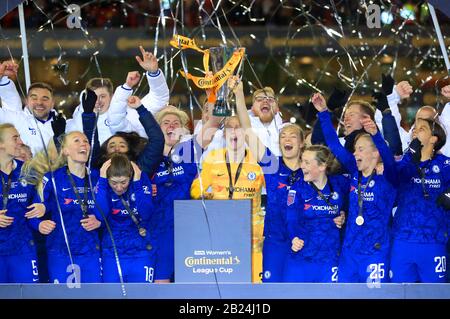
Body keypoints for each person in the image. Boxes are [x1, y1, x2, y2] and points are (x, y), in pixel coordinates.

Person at [312, 92, 396, 283]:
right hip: (350, 251)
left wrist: (376, 135)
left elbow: (389, 158)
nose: (355, 153)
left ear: (375, 153)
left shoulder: (389, 176)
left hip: (375, 251)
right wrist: (324, 113)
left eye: (360, 149)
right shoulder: (354, 171)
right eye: (355, 149)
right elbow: (334, 144)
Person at [231, 76, 303, 282]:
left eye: (292, 136)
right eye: (283, 137)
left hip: (303, 239)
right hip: (275, 239)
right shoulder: (272, 165)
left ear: (301, 143)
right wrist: (238, 94)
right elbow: (247, 131)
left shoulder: (310, 171)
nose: (286, 139)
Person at [190, 115, 265, 283]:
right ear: (223, 135)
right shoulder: (212, 157)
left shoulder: (258, 160)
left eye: (238, 126)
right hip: (221, 231)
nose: (233, 131)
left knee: (254, 286)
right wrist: (201, 194)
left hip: (252, 235)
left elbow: (274, 192)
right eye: (229, 127)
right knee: (225, 281)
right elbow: (197, 187)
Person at [23, 131, 103, 283]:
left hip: (91, 252)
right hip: (60, 253)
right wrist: (40, 224)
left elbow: (112, 210)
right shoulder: (52, 178)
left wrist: (100, 222)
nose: (83, 144)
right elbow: (33, 213)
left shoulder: (98, 177)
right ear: (65, 150)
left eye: (86, 141)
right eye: (77, 140)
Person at [390, 118, 450, 282]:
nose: (415, 130)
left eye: (422, 128)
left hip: (433, 241)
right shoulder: (404, 162)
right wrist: (411, 156)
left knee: (435, 294)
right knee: (399, 294)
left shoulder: (445, 165)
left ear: (434, 138)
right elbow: (395, 178)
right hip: (403, 240)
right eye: (414, 128)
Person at [151, 106, 201, 283]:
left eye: (176, 123)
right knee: (161, 284)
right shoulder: (149, 158)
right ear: (157, 129)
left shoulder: (190, 152)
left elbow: (213, 125)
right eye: (166, 123)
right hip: (159, 229)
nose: (171, 126)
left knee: (189, 285)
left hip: (187, 228)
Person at [284, 145, 347, 282]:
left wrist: (343, 214)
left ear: (322, 166)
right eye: (302, 161)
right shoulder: (297, 188)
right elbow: (291, 217)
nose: (302, 166)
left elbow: (354, 202)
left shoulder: (339, 183)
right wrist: (294, 237)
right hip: (302, 255)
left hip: (330, 258)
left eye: (307, 162)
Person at [96, 154, 156, 283]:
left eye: (123, 182)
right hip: (112, 253)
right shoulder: (102, 183)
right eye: (114, 183)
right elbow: (100, 215)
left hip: (140, 251)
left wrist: (138, 182)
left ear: (130, 176)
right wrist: (102, 180)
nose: (119, 187)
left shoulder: (140, 179)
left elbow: (146, 213)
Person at [0, 123, 45, 283]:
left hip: (23, 249)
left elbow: (37, 205)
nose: (20, 141)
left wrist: (42, 207)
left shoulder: (28, 172)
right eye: (15, 138)